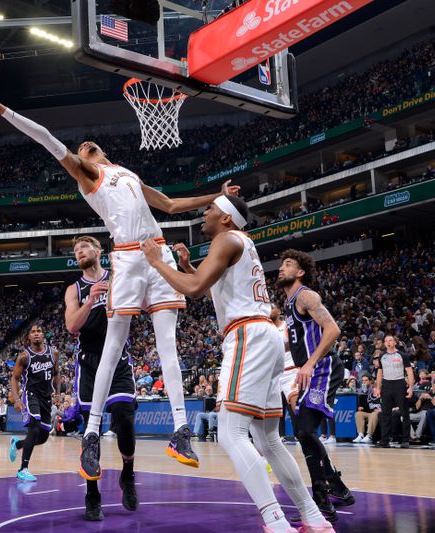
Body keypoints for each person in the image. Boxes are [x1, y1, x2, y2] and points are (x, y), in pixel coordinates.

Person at [0, 77, 237, 479]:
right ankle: (91, 433)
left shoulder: (126, 172)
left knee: (168, 345)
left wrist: (216, 198)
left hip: (158, 251)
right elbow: (43, 136)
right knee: (114, 343)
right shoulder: (89, 175)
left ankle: (181, 430)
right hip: (127, 256)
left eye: (89, 145)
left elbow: (169, 203)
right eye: (80, 149)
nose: (85, 146)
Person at [142, 196, 334, 532]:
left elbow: (195, 288)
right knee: (268, 440)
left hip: (247, 335)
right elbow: (209, 288)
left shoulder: (226, 239)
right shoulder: (240, 243)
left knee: (231, 434)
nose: (205, 213)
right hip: (267, 336)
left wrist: (158, 263)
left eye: (211, 209)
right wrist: (187, 266)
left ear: (227, 218)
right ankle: (314, 518)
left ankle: (275, 521)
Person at [64, 235, 138, 521]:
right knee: (89, 430)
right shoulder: (75, 289)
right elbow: (72, 325)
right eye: (76, 250)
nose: (79, 251)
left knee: (124, 416)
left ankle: (127, 475)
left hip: (117, 356)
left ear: (98, 251)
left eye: (84, 247)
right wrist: (92, 298)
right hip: (90, 363)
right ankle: (92, 494)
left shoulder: (116, 276)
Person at [277, 249, 354, 521]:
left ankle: (322, 504)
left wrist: (309, 363)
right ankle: (338, 490)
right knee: (304, 432)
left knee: (306, 431)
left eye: (288, 265)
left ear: (300, 272)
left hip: (323, 369)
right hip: (309, 371)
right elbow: (296, 340)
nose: (281, 268)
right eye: (282, 264)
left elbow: (333, 329)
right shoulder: (287, 305)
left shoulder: (306, 295)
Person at [8, 324, 60, 482]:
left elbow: (57, 373)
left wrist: (57, 393)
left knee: (43, 437)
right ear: (29, 337)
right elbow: (14, 378)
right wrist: (17, 399)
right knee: (34, 427)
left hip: (46, 397)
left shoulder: (54, 353)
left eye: (39, 331)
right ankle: (23, 469)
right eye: (33, 331)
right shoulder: (24, 356)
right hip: (31, 395)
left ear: (43, 334)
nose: (36, 334)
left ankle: (18, 444)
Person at [376, 335, 414, 448]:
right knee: (385, 414)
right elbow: (379, 373)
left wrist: (410, 387)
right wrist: (378, 388)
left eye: (390, 340)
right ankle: (384, 440)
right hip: (387, 385)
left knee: (404, 413)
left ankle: (406, 440)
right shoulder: (382, 356)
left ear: (395, 342)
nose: (388, 342)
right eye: (386, 341)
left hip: (400, 384)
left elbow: (410, 372)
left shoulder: (402, 355)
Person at [270, 304, 299, 443]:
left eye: (272, 307)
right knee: (276, 411)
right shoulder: (266, 329)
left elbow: (294, 344)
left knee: (295, 409)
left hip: (290, 371)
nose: (270, 310)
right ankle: (279, 436)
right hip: (274, 375)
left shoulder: (286, 326)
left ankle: (301, 435)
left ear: (278, 311)